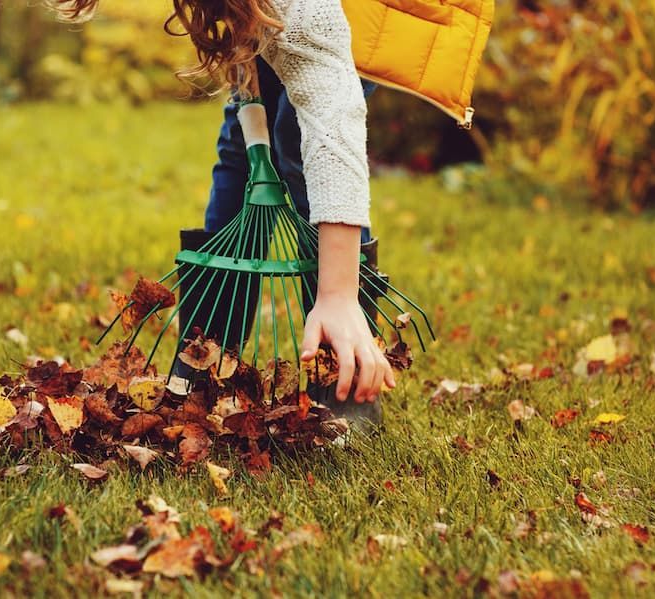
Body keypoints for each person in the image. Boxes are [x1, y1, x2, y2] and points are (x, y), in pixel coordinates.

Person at [50, 0, 397, 425]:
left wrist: (339, 295)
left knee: (294, 135)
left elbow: (331, 110)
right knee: (241, 142)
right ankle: (206, 356)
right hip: (270, 17)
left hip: (355, 15)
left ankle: (347, 370)